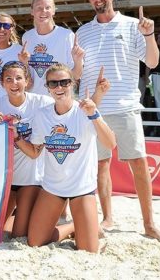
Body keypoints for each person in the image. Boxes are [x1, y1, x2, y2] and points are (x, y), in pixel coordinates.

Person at [76, 0, 160, 241]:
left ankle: (149, 224)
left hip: (126, 105)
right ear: (90, 0)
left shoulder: (132, 25)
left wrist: (149, 35)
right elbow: (79, 73)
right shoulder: (82, 32)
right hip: (95, 108)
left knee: (138, 164)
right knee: (101, 165)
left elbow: (152, 61)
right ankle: (107, 218)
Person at [23, 63, 116, 253]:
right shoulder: (42, 115)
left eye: (64, 82)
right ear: (47, 88)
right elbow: (35, 151)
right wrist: (14, 136)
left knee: (89, 250)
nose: (59, 88)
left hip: (81, 188)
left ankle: (83, 227)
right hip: (53, 187)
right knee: (35, 242)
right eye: (53, 83)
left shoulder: (85, 110)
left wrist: (94, 114)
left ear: (72, 84)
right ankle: (73, 226)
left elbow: (111, 143)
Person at [0, 61, 54, 238]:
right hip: (7, 179)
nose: (14, 83)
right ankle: (26, 215)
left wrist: (16, 136)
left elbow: (34, 154)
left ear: (27, 81)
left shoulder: (43, 103)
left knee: (19, 235)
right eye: (8, 79)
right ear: (2, 83)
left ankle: (37, 216)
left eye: (19, 78)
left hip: (32, 178)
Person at [20, 0, 84, 96]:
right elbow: (28, 78)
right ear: (32, 11)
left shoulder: (67, 35)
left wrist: (79, 61)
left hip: (59, 101)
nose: (43, 11)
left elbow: (76, 75)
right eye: (39, 8)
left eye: (48, 7)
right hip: (34, 100)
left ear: (54, 11)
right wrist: (25, 64)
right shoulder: (27, 37)